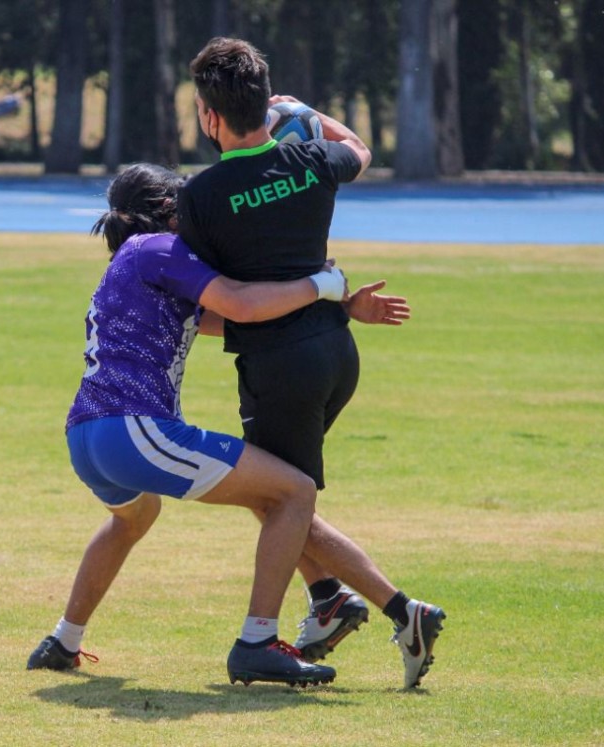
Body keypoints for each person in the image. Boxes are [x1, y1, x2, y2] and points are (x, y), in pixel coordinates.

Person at [26, 163, 408, 687]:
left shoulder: (131, 261)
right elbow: (241, 306)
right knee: (292, 493)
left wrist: (338, 307)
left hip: (88, 437)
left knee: (133, 519)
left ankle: (63, 641)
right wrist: (323, 281)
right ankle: (257, 641)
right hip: (133, 432)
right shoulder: (158, 249)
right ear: (168, 211)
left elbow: (238, 320)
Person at [178, 37, 445, 689]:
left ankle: (386, 613)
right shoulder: (311, 159)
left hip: (280, 371)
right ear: (265, 108)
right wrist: (309, 110)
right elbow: (360, 148)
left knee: (279, 498)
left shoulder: (202, 196)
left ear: (210, 118)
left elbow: (217, 306)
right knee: (278, 495)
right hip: (336, 352)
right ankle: (327, 598)